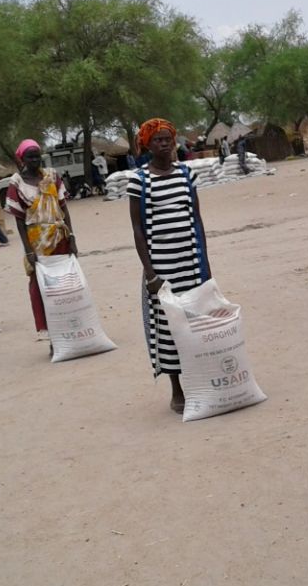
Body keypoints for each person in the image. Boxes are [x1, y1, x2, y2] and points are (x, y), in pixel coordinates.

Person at [127, 118, 213, 414]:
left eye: (168, 139)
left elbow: (197, 219)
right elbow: (138, 230)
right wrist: (150, 273)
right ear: (147, 146)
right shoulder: (139, 180)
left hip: (190, 261)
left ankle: (202, 380)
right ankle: (176, 389)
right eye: (158, 140)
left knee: (196, 320)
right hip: (162, 267)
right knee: (167, 326)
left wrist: (205, 264)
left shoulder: (186, 174)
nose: (165, 144)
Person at [5, 139, 78, 340]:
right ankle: (54, 335)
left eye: (37, 155)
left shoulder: (52, 176)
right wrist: (28, 251)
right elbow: (19, 220)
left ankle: (72, 328)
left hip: (59, 239)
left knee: (65, 284)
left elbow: (63, 207)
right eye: (30, 156)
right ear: (22, 158)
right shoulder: (16, 183)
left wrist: (71, 237)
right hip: (37, 245)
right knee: (42, 288)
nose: (35, 159)